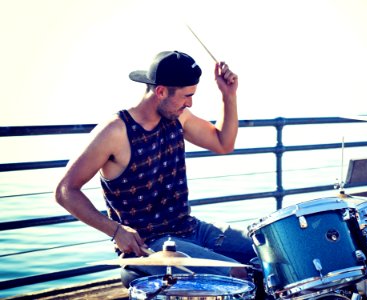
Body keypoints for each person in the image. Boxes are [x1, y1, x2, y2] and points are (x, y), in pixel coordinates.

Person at [54, 50, 255, 287]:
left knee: (271, 248)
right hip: (150, 244)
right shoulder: (115, 131)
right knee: (235, 275)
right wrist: (116, 231)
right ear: (160, 91)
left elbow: (223, 143)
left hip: (191, 229)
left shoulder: (179, 118)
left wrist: (228, 96)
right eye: (186, 96)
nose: (189, 103)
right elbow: (65, 190)